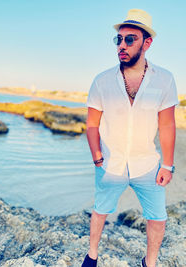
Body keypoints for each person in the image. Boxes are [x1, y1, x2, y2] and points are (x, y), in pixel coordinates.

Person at [82, 8, 179, 267]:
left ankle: (150, 262)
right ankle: (91, 256)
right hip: (110, 163)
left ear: (147, 43)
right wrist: (97, 156)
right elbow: (92, 123)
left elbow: (167, 124)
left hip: (147, 164)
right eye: (118, 39)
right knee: (100, 210)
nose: (121, 45)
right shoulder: (101, 81)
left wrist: (167, 165)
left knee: (157, 217)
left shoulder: (165, 80)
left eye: (129, 39)